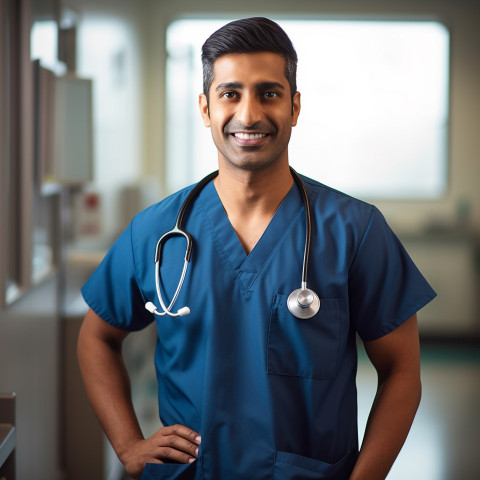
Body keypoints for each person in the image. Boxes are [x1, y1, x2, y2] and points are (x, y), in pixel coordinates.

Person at [78, 17, 436, 480]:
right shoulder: (155, 231)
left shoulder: (355, 230)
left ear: (295, 106)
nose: (249, 115)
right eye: (231, 94)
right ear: (205, 108)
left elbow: (402, 371)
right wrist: (128, 445)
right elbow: (97, 338)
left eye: (269, 93)